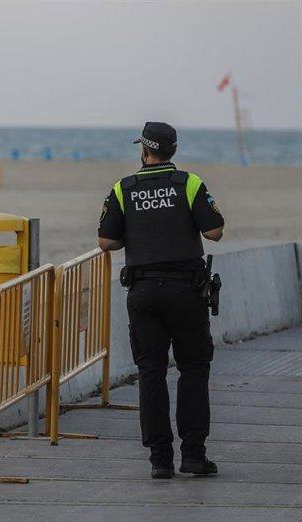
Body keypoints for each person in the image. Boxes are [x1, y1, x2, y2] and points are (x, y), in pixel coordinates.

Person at [97, 122, 224, 479]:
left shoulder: (124, 188)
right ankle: (195, 456)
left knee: (150, 372)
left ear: (144, 150)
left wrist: (135, 237)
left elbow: (106, 242)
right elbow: (213, 231)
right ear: (173, 151)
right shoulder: (190, 183)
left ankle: (160, 460)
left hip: (144, 291)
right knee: (194, 369)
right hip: (186, 290)